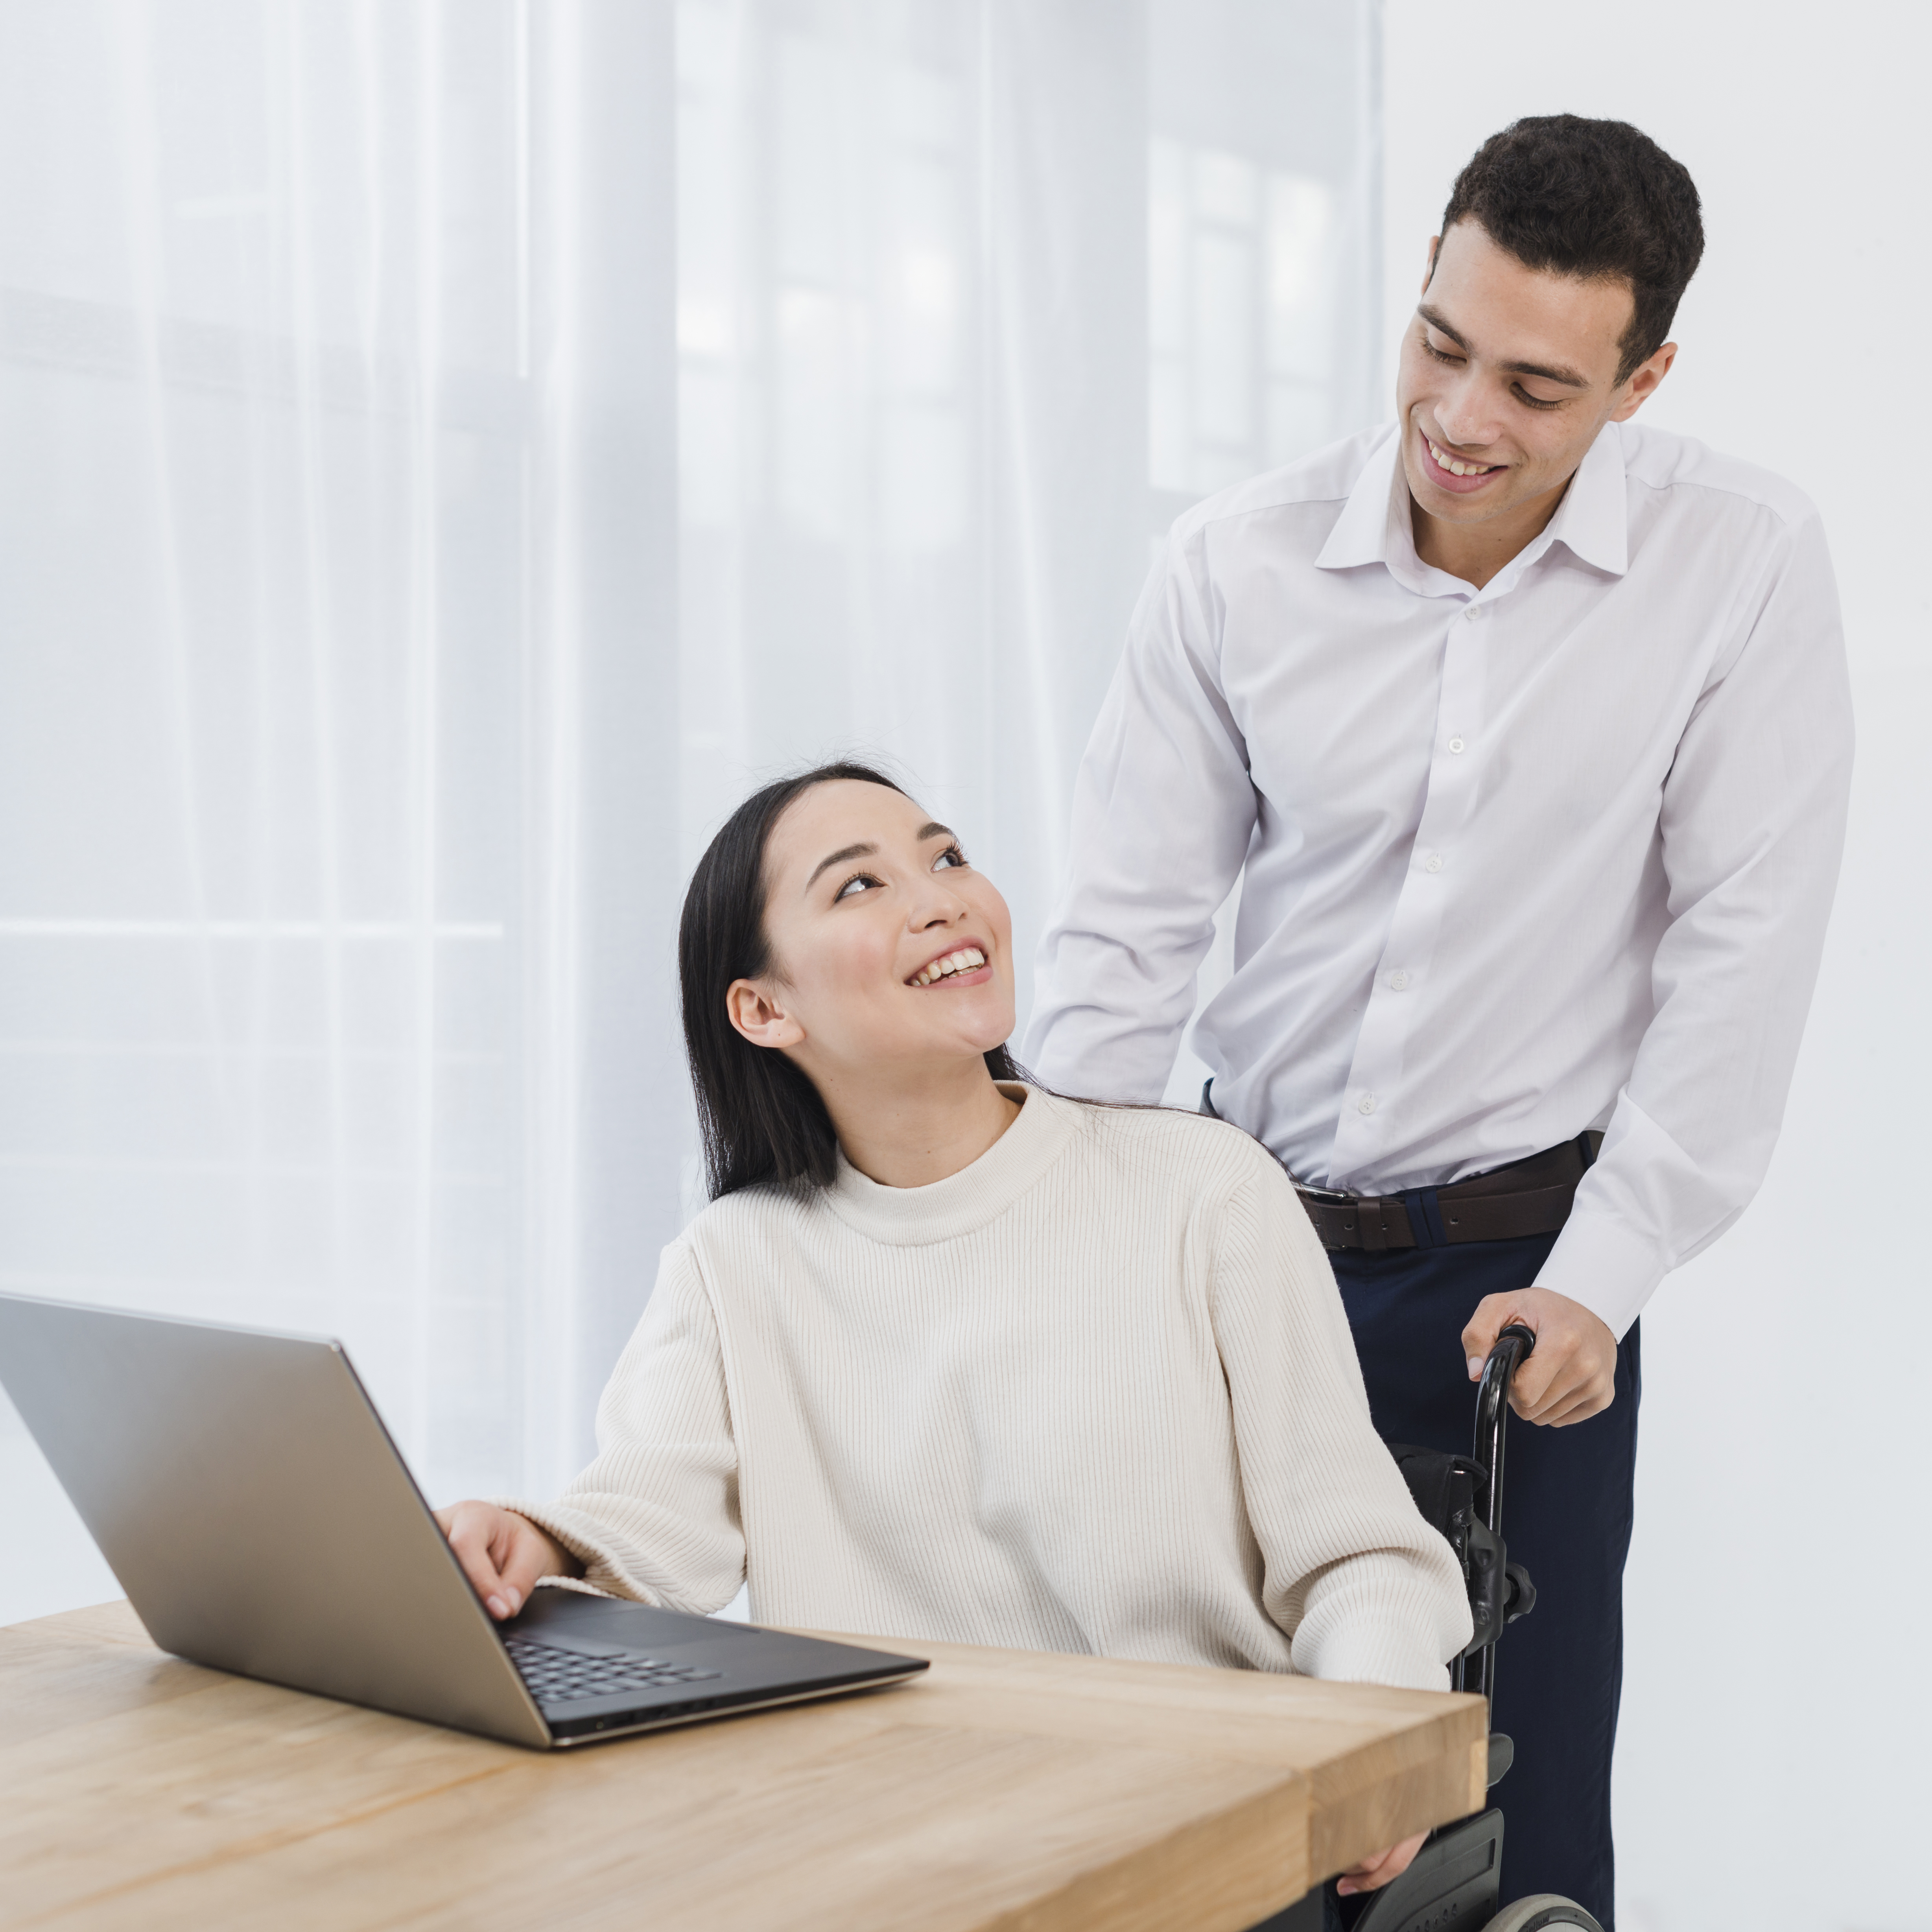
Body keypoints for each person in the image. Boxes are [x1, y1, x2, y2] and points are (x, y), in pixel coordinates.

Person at [1024, 115, 1853, 1925]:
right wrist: (1051, 1251)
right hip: (1233, 1264)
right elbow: (1124, 951)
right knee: (1220, 1815)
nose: (1465, 416)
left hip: (1522, 1293)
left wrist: (1606, 1276)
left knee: (1508, 1837)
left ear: (1643, 381)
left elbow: (1741, 952)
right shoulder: (1233, 566)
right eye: (1439, 345)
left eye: (1539, 386)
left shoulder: (1741, 568)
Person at [437, 762, 1473, 1906]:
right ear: (764, 1009)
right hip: (892, 1853)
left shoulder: (1200, 1191)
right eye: (858, 887)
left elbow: (1357, 1553)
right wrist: (530, 1544)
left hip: (1193, 1837)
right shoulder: (739, 1262)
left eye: (945, 858)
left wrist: (1376, 1742)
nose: (939, 897)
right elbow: (643, 1524)